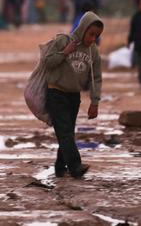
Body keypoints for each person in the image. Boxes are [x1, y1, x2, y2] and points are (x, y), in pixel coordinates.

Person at [43, 11, 104, 179]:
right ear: (83, 28)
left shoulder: (93, 52)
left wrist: (95, 101)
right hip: (56, 93)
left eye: (96, 36)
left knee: (67, 132)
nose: (92, 39)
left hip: (73, 97)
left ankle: (60, 167)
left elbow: (96, 79)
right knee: (65, 133)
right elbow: (47, 63)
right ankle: (75, 167)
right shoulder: (63, 41)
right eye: (90, 34)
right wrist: (65, 53)